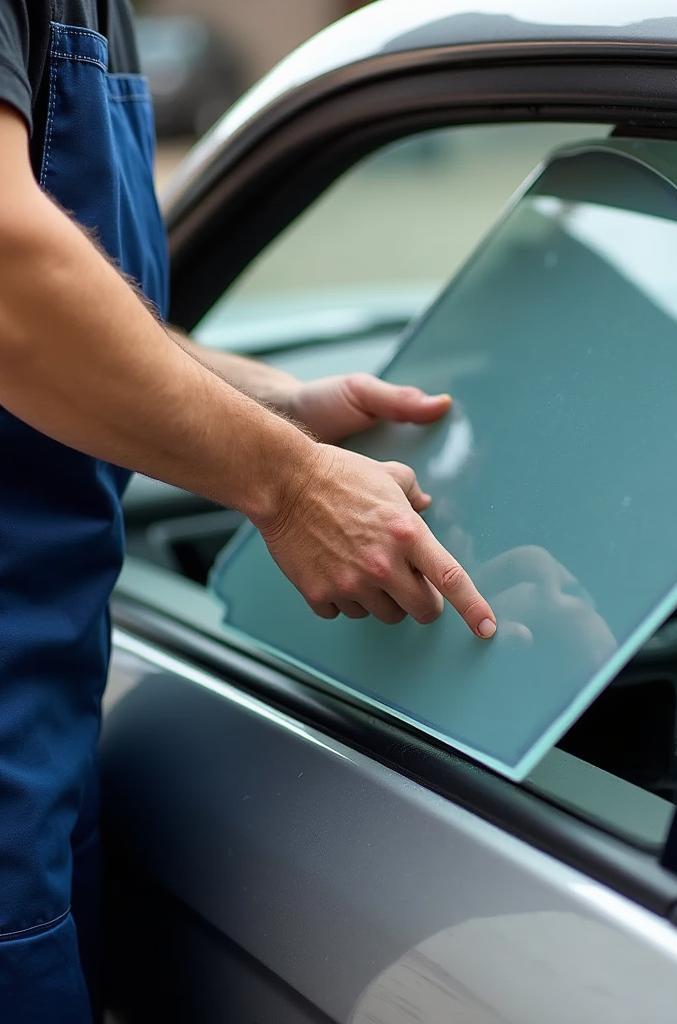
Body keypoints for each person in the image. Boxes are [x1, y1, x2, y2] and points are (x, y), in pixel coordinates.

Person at [0, 3, 496, 1019]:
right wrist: (287, 481)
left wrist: (277, 408)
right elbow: (12, 288)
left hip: (42, 737)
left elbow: (83, 308)